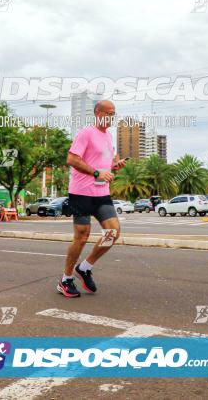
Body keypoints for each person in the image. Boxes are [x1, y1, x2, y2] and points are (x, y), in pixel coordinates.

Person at [57, 100, 127, 298]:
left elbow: (103, 163)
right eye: (109, 113)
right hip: (81, 192)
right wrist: (96, 172)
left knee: (112, 232)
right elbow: (71, 159)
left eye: (114, 114)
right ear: (98, 113)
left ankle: (85, 267)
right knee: (82, 236)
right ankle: (65, 279)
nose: (111, 117)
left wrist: (114, 166)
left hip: (101, 193)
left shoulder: (108, 137)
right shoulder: (86, 132)